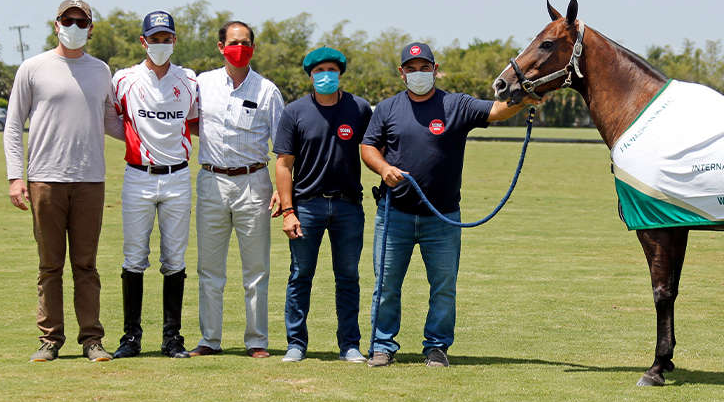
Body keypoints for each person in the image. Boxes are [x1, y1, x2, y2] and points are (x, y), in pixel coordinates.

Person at [359, 42, 538, 367]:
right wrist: (383, 168)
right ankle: (383, 346)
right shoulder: (387, 108)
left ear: (435, 69)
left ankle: (437, 347)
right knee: (385, 286)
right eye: (411, 69)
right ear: (402, 73)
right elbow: (368, 147)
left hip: (442, 217)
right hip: (394, 213)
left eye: (424, 67)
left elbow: (496, 111)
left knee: (443, 287)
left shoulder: (456, 105)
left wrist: (524, 99)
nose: (418, 74)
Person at [4, 0, 124, 362]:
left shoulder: (101, 71)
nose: (74, 26)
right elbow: (13, 124)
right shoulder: (33, 67)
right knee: (49, 265)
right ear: (56, 24)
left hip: (90, 180)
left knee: (86, 265)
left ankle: (92, 340)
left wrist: (155, 131)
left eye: (81, 21)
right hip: (45, 179)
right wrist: (15, 177)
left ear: (90, 28)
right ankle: (50, 339)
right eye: (67, 19)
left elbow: (110, 120)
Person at [190, 20, 284, 359]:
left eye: (245, 43)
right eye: (233, 42)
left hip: (254, 182)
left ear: (253, 49)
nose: (239, 48)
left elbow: (284, 146)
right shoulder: (201, 85)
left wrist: (283, 192)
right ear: (220, 47)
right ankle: (209, 339)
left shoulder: (267, 91)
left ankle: (257, 340)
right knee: (209, 268)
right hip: (212, 180)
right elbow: (189, 124)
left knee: (256, 269)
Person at [273, 47, 372, 363]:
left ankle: (350, 345)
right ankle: (296, 344)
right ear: (310, 75)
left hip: (348, 207)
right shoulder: (295, 112)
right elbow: (284, 164)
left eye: (331, 69)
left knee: (348, 277)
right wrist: (288, 211)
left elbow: (374, 149)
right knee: (301, 276)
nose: (325, 75)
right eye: (318, 71)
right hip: (307, 207)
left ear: (340, 73)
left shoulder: (359, 109)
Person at [111, 11, 199, 359]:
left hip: (178, 175)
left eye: (166, 38)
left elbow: (194, 122)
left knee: (174, 260)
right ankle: (130, 338)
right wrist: (136, 143)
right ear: (142, 41)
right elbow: (114, 118)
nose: (160, 44)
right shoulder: (124, 79)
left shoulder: (189, 80)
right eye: (154, 38)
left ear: (174, 40)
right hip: (138, 175)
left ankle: (172, 338)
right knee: (134, 258)